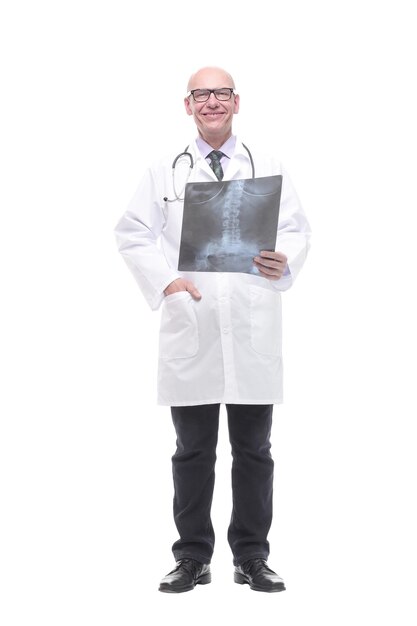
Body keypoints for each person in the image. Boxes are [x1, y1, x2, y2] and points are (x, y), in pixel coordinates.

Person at [114, 66, 311, 593]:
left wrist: (282, 261)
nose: (212, 102)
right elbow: (132, 233)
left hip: (250, 322)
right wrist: (166, 283)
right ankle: (193, 557)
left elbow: (295, 229)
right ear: (188, 105)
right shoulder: (164, 170)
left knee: (254, 451)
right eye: (201, 94)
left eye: (221, 93)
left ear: (236, 101)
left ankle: (251, 556)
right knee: (192, 451)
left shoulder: (267, 165)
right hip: (193, 321)